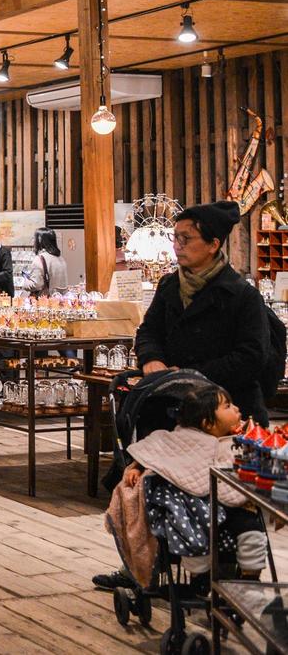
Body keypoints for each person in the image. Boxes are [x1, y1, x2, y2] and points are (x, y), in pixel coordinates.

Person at [135, 201, 274, 426]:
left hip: (229, 413)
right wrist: (151, 358)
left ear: (213, 245)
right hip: (174, 410)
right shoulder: (169, 285)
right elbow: (149, 331)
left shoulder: (242, 294)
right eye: (175, 237)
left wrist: (190, 375)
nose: (177, 246)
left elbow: (251, 357)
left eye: (186, 239)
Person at [116, 382, 266, 588]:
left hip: (231, 505)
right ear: (208, 423)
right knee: (187, 525)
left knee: (252, 526)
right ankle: (200, 578)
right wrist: (137, 467)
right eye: (228, 406)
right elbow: (155, 451)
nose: (237, 408)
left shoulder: (239, 440)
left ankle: (251, 575)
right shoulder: (182, 439)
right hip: (193, 507)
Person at [17, 228, 67, 297]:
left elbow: (36, 285)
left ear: (39, 240)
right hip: (61, 300)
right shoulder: (60, 258)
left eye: (34, 238)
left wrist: (25, 282)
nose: (33, 241)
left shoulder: (39, 259)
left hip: (45, 302)